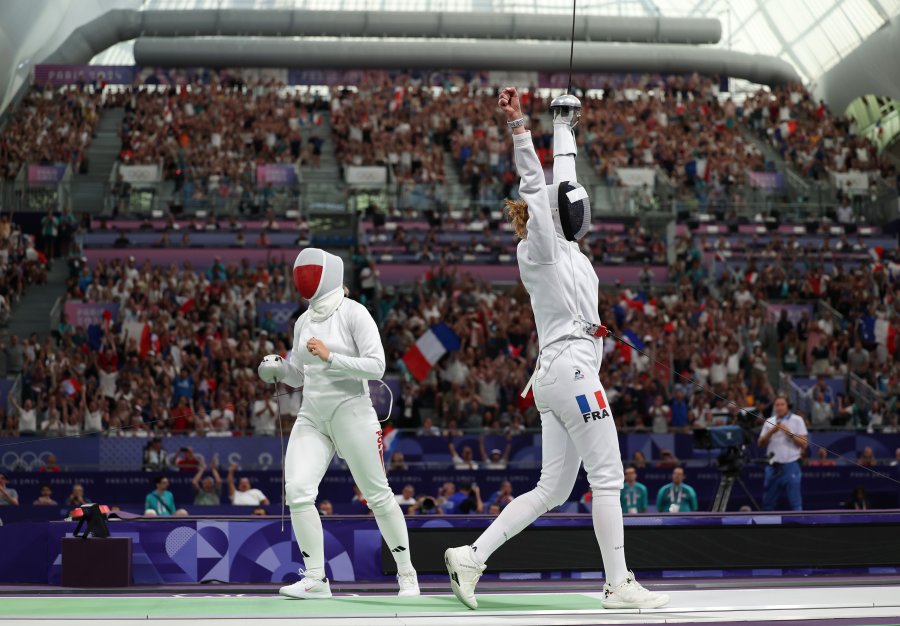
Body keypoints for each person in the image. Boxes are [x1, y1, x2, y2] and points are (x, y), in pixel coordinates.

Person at [445, 88, 667, 610]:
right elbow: (537, 184)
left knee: (553, 490)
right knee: (608, 476)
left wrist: (564, 123)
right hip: (570, 372)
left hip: (558, 373)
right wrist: (520, 126)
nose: (581, 209)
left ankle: (470, 557)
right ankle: (618, 586)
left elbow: (562, 180)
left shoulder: (566, 247)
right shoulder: (540, 249)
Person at [258, 247, 419, 599]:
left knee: (377, 496)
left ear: (327, 274)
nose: (302, 277)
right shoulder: (303, 321)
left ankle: (407, 574)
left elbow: (377, 366)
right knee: (298, 491)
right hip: (312, 415)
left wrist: (331, 357)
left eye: (309, 270)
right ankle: (316, 579)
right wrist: (279, 370)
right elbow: (300, 376)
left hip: (352, 411)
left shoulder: (354, 313)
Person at [758, 395, 808, 511]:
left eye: (782, 404)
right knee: (767, 504)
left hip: (791, 465)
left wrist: (790, 434)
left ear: (787, 406)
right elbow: (760, 443)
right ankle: (767, 527)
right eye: (777, 405)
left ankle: (800, 526)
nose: (779, 407)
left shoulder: (797, 420)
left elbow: (804, 444)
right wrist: (771, 431)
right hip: (773, 467)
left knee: (796, 504)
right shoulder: (769, 421)